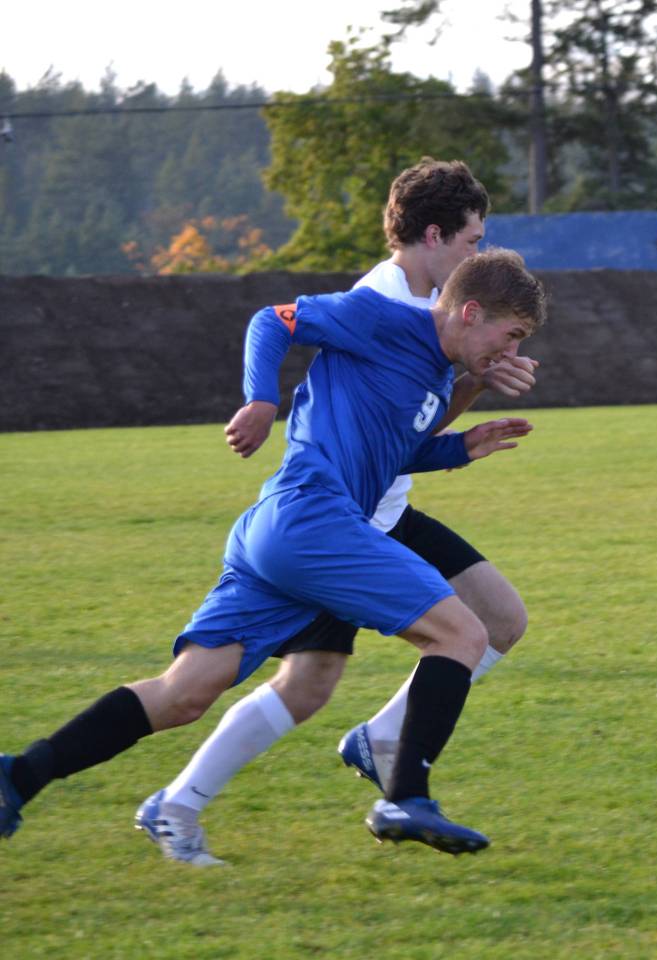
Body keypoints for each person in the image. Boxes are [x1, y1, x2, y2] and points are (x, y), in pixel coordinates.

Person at [0, 246, 548, 858]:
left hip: (281, 528)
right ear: (471, 312)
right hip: (315, 516)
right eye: (512, 334)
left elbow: (387, 454)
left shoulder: (439, 370)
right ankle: (405, 795)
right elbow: (274, 320)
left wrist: (461, 446)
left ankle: (18, 776)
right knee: (463, 635)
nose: (512, 352)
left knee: (184, 692)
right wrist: (262, 400)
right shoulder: (382, 317)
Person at [125, 159, 541, 866]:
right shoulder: (390, 304)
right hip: (345, 521)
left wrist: (473, 381)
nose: (478, 253)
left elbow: (420, 417)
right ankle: (180, 803)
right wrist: (262, 397)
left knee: (499, 620)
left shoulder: (436, 303)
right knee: (298, 680)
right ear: (436, 235)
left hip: (382, 508)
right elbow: (280, 326)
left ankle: (373, 742)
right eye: (473, 239)